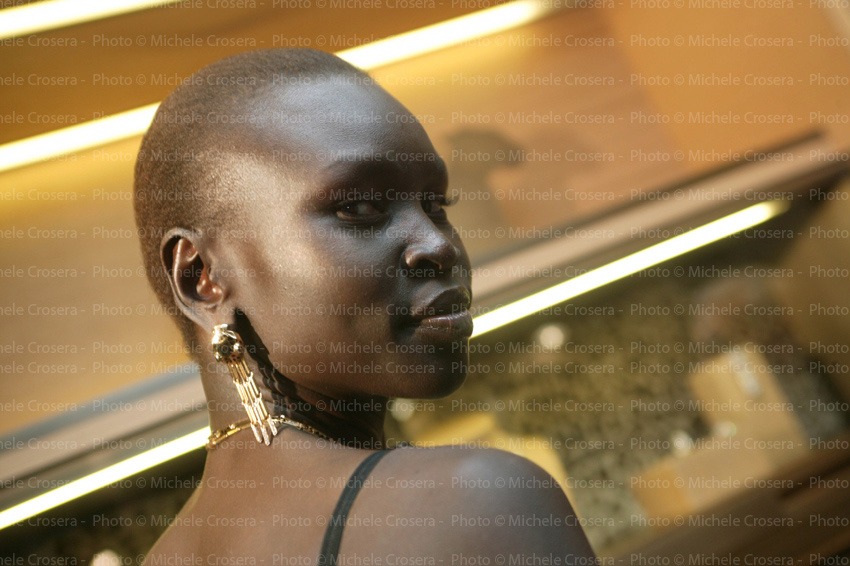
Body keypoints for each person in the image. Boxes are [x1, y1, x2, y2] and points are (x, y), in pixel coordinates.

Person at [134, 48, 595, 564]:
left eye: (436, 205)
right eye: (358, 208)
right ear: (201, 278)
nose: (438, 245)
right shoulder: (473, 505)